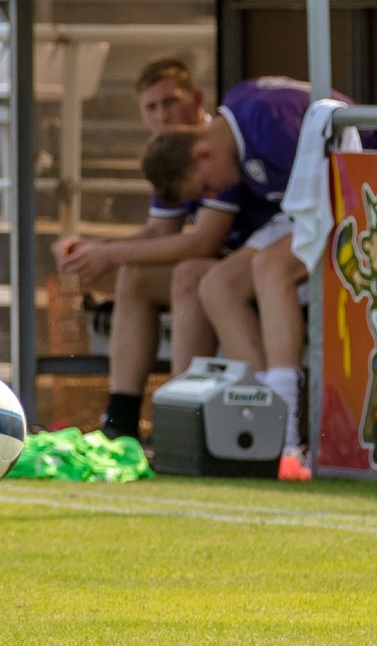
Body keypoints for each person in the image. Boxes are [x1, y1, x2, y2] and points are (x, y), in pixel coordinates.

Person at [141, 76, 342, 477]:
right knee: (215, 283)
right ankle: (259, 421)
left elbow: (339, 182)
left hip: (364, 198)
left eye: (207, 186)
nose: (218, 190)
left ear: (201, 155)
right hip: (314, 210)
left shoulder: (268, 123)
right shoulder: (235, 128)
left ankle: (285, 441)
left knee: (271, 268)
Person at [52, 58, 257, 441]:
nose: (163, 115)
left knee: (187, 274)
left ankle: (181, 421)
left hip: (253, 265)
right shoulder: (172, 154)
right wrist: (94, 250)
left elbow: (202, 241)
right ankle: (121, 420)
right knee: (138, 275)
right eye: (152, 107)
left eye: (170, 102)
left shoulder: (214, 148)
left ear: (196, 99)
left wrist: (111, 254)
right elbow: (159, 231)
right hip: (223, 270)